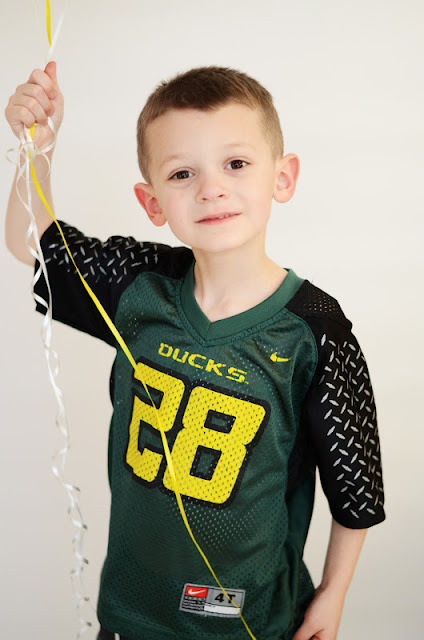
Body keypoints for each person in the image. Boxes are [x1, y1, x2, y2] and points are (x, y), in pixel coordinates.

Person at [5, 61, 385, 640]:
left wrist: (333, 596)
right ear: (152, 202)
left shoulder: (314, 330)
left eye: (236, 164)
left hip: (250, 621)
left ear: (282, 177)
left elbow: (356, 485)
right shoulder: (140, 285)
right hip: (131, 614)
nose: (211, 188)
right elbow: (32, 244)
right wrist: (38, 146)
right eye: (182, 173)